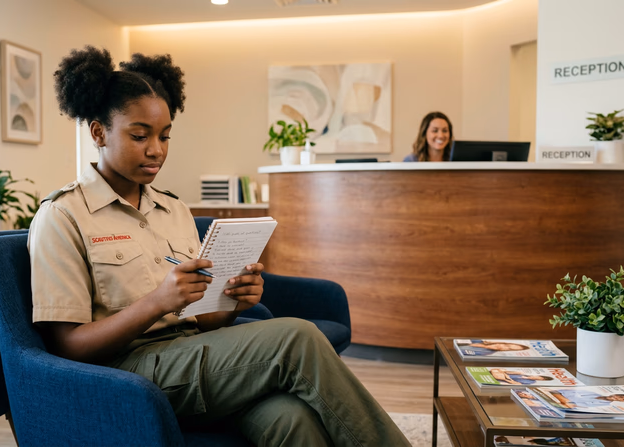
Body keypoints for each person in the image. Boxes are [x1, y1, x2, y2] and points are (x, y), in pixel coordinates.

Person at [28, 45, 410, 447]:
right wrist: (157, 302)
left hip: (195, 355)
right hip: (128, 375)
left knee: (291, 419)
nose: (156, 149)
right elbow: (68, 347)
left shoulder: (174, 209)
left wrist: (233, 302)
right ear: (98, 132)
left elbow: (203, 321)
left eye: (165, 136)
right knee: (298, 339)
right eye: (140, 136)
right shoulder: (63, 216)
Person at [548, 390, 624, 409]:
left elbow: (571, 407)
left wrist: (563, 399)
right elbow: (554, 391)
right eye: (621, 396)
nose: (618, 398)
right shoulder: (592, 392)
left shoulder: (603, 405)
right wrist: (565, 400)